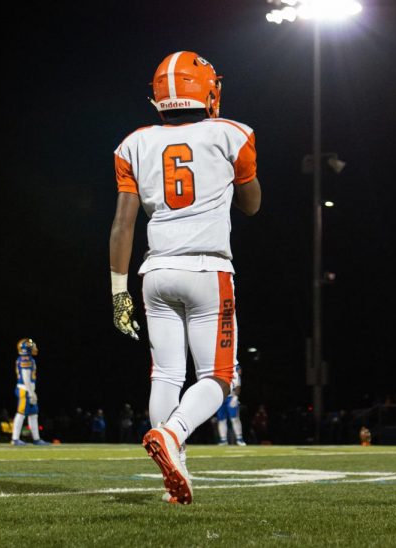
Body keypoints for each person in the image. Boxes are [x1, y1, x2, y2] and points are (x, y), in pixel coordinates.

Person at [109, 50, 261, 505]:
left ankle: (173, 477)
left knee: (167, 375)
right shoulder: (232, 133)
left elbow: (123, 224)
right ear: (209, 90)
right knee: (220, 377)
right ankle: (172, 435)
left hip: (154, 273)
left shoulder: (134, 142)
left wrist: (119, 293)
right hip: (207, 268)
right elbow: (252, 204)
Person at [10, 338, 50, 446]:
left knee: (33, 414)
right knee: (21, 413)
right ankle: (15, 439)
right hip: (25, 390)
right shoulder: (25, 359)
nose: (34, 348)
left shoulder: (27, 358)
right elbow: (26, 378)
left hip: (29, 389)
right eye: (32, 347)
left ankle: (36, 439)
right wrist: (32, 393)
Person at [216, 362, 246, 445]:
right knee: (221, 419)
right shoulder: (219, 368)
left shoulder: (234, 367)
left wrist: (235, 397)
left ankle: (239, 438)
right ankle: (223, 439)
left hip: (230, 397)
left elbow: (238, 384)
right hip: (221, 398)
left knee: (234, 418)